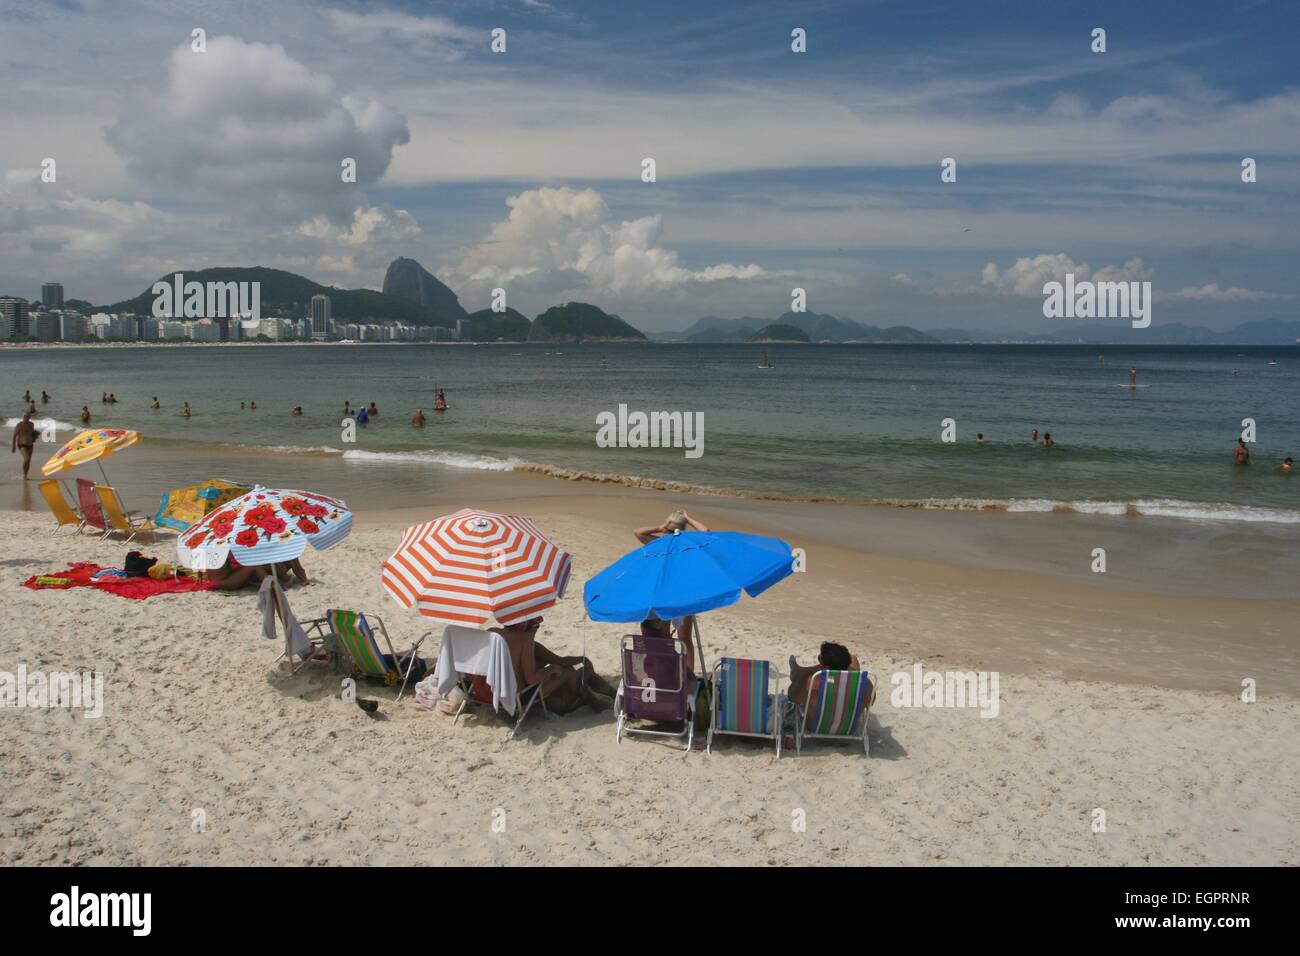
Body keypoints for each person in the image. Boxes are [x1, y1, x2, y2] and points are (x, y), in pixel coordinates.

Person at [495, 616, 616, 714]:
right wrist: (552, 669)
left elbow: (560, 660)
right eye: (535, 626)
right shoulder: (525, 641)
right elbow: (532, 679)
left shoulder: (494, 635)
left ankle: (603, 696)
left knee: (571, 673)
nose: (536, 630)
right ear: (523, 625)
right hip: (521, 696)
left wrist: (581, 659)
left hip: (496, 693)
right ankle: (601, 699)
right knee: (570, 672)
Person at [787, 642, 861, 711]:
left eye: (820, 658)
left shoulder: (814, 683)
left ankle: (797, 671)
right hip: (847, 723)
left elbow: (792, 696)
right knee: (852, 659)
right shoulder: (860, 683)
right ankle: (798, 671)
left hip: (815, 724)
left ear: (823, 667)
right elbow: (871, 700)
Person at [634, 509, 709, 545]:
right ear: (665, 529)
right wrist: (659, 528)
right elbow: (638, 532)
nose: (673, 534)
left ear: (682, 530)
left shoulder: (688, 545)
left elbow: (706, 532)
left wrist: (687, 518)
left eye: (676, 531)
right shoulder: (662, 543)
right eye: (670, 531)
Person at [11, 411, 35, 480]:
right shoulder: (19, 425)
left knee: (29, 461)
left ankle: (25, 475)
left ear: (30, 417)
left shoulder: (31, 424)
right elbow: (14, 436)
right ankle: (24, 476)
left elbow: (31, 434)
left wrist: (34, 437)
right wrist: (13, 447)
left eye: (28, 416)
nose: (26, 417)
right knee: (26, 459)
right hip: (22, 444)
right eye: (25, 416)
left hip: (30, 445)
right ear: (23, 417)